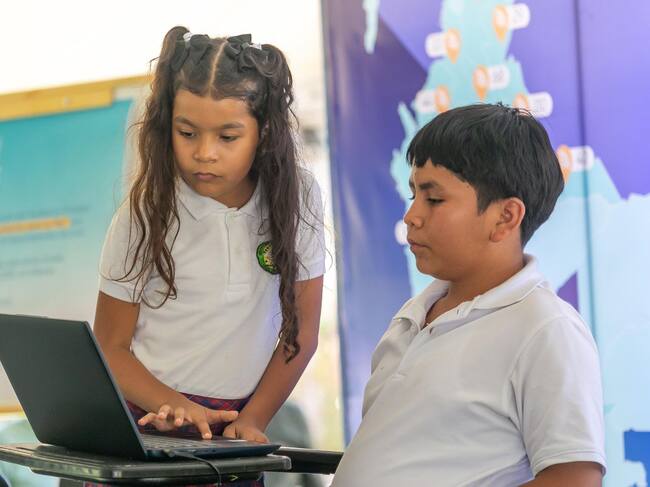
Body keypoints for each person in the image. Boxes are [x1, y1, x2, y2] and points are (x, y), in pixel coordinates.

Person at [331, 104, 606, 486]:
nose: (411, 216)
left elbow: (574, 480)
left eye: (434, 199)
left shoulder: (546, 329)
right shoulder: (412, 315)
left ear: (505, 217)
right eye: (413, 195)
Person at [93, 25, 325, 461]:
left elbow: (302, 334)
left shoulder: (299, 198)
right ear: (167, 126)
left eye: (227, 137)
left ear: (265, 132)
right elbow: (110, 345)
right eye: (187, 133)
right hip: (145, 422)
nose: (204, 153)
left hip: (237, 426)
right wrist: (171, 403)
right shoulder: (144, 213)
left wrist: (254, 418)